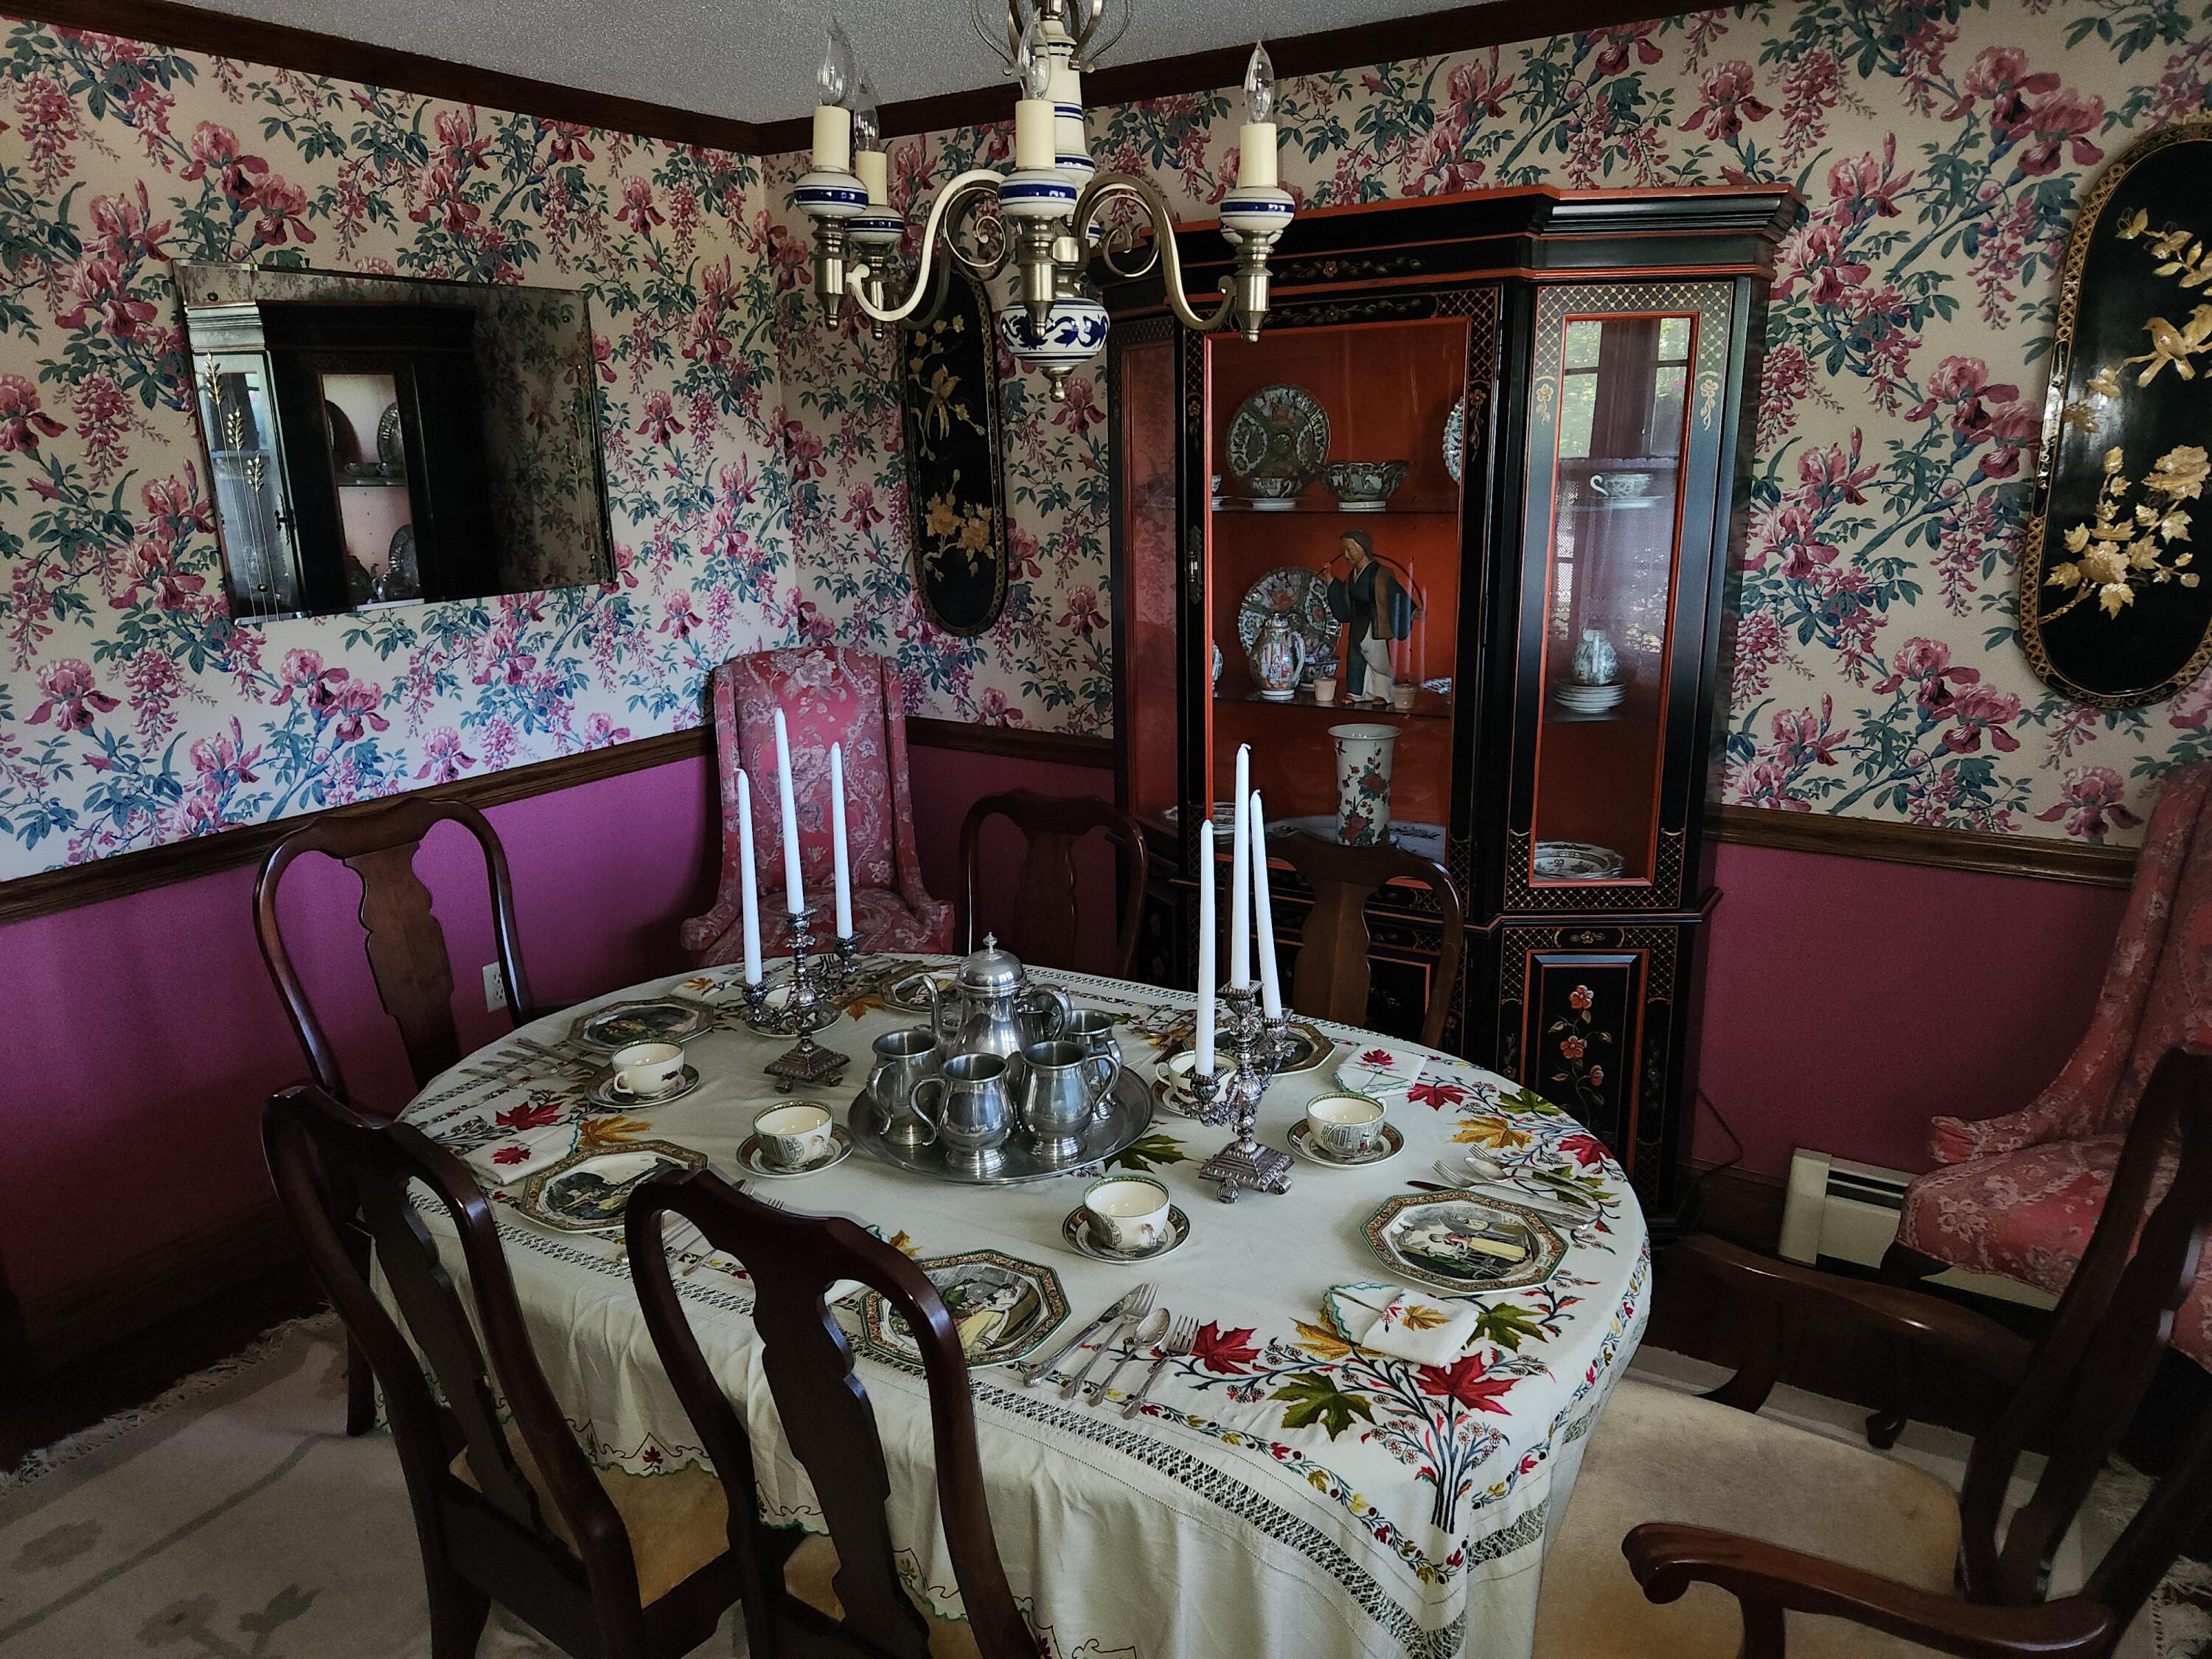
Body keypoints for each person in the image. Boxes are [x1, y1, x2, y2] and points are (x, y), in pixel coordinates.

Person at [1322, 530, 1414, 704]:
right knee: (1355, 657)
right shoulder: (1353, 576)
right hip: (1358, 622)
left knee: (1377, 657)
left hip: (1375, 621)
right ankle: (1356, 692)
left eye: (1350, 550)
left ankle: (1383, 694)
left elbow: (1396, 594)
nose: (1346, 555)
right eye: (1344, 551)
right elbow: (1345, 596)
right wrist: (1330, 579)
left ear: (1363, 548)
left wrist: (1413, 610)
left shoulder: (1380, 573)